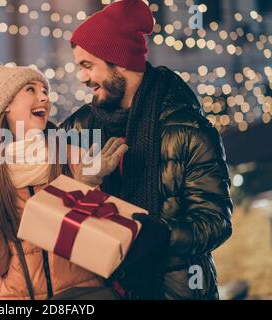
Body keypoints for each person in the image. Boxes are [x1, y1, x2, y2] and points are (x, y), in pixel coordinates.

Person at [57, 0, 233, 299]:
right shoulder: (80, 127)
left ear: (119, 61)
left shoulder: (189, 130)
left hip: (174, 290)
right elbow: (31, 170)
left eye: (88, 66)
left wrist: (161, 234)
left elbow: (215, 222)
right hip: (104, 288)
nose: (82, 78)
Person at [0, 64, 127, 299]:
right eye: (31, 90)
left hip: (82, 295)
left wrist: (84, 185)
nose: (43, 97)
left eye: (45, 91)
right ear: (6, 104)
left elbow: (95, 245)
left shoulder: (74, 158)